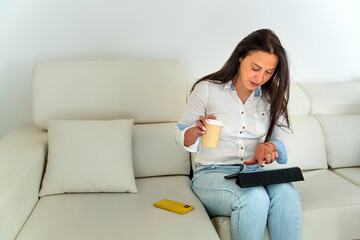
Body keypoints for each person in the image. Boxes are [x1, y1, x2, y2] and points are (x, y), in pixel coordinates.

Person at [175, 29, 301, 240]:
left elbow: (284, 138)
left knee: (287, 193)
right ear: (241, 56)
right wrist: (195, 131)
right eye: (255, 68)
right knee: (254, 198)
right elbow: (179, 135)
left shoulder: (272, 96)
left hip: (253, 173)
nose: (260, 77)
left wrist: (269, 147)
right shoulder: (207, 89)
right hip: (212, 174)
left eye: (269, 72)